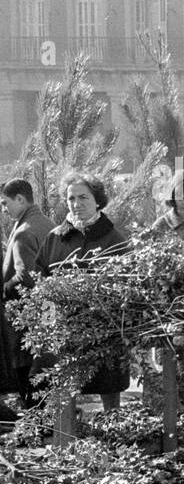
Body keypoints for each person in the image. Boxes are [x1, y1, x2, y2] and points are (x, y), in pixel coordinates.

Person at [36, 172, 133, 411]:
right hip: (64, 329)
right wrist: (49, 323)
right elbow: (40, 282)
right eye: (71, 199)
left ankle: (115, 431)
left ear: (97, 200)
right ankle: (65, 438)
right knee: (63, 385)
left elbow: (127, 286)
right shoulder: (55, 238)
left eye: (83, 198)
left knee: (108, 384)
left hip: (104, 328)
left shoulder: (114, 240)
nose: (76, 204)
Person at [1, 178, 54, 410]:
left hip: (26, 315)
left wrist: (4, 287)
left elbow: (26, 277)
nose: (4, 209)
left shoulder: (23, 232)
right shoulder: (48, 223)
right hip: (49, 310)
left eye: (5, 203)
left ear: (20, 199)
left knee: (28, 370)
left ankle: (36, 423)